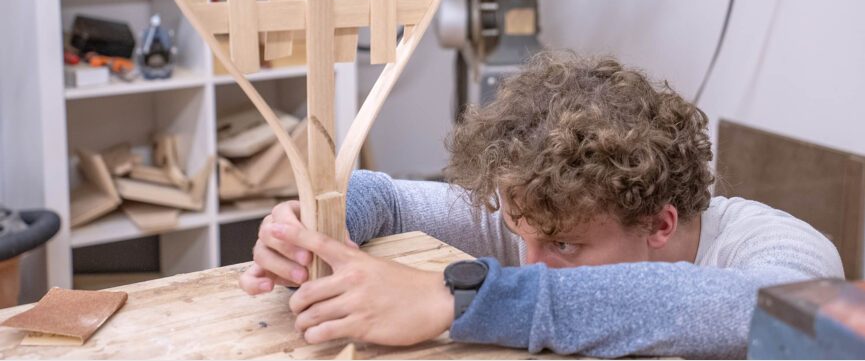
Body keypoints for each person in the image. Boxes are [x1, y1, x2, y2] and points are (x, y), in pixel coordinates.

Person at [239, 51, 843, 358]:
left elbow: (769, 315)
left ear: (659, 223)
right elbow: (387, 198)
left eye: (564, 247)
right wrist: (312, 227)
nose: (531, 264)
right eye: (516, 230)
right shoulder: (545, 226)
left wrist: (458, 298)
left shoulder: (784, 250)